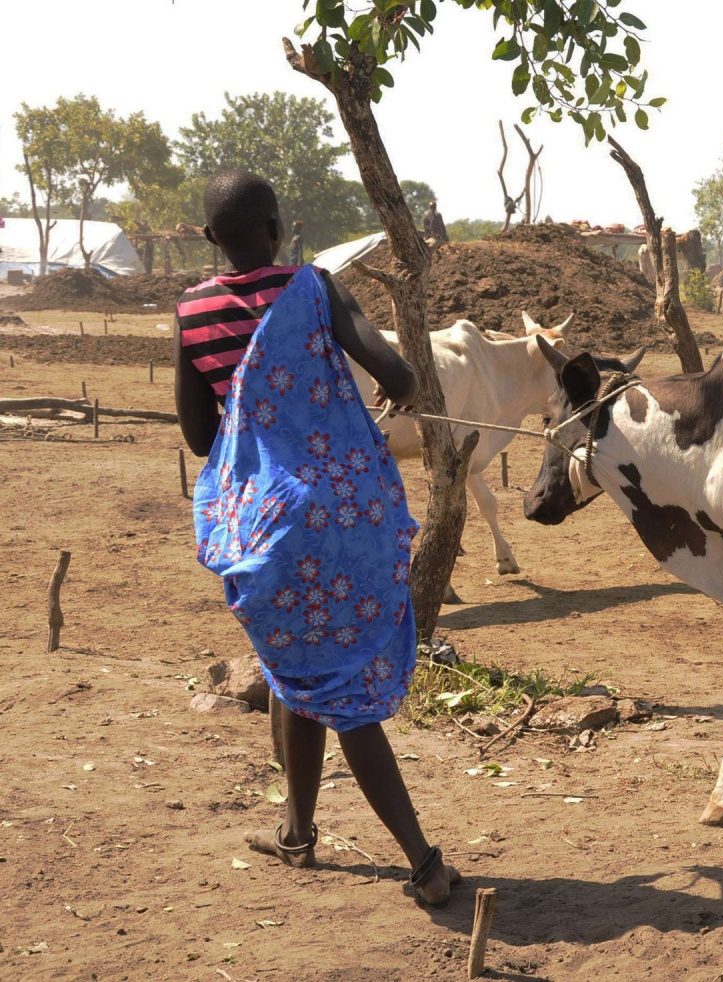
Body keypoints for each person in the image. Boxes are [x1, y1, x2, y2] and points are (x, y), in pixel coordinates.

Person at [173, 170, 460, 906]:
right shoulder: (314, 286)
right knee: (327, 686)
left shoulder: (192, 313)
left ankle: (305, 836)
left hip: (261, 529)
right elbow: (399, 372)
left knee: (306, 674)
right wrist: (373, 397)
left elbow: (203, 437)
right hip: (344, 517)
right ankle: (420, 864)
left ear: (210, 239)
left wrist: (251, 399)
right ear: (278, 225)